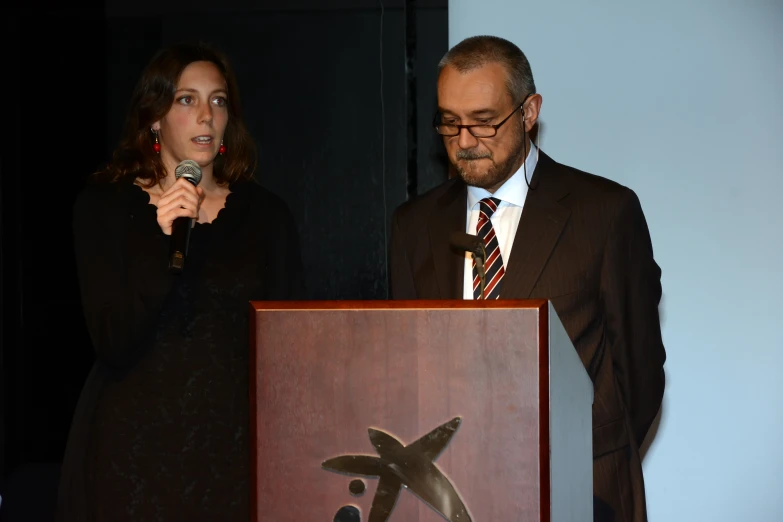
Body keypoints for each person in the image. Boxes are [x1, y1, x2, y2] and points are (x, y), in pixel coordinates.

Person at [389, 35, 665, 522]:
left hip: (582, 492)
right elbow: (407, 371)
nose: (465, 141)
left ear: (528, 112)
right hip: (451, 494)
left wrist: (587, 458)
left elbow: (638, 377)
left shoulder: (604, 213)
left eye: (484, 122)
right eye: (449, 123)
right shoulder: (415, 226)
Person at [56, 41, 305, 521]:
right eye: (186, 100)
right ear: (154, 116)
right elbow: (113, 339)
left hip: (233, 453)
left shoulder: (266, 215)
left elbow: (291, 351)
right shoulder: (103, 210)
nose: (206, 115)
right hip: (131, 454)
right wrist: (163, 239)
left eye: (218, 100)